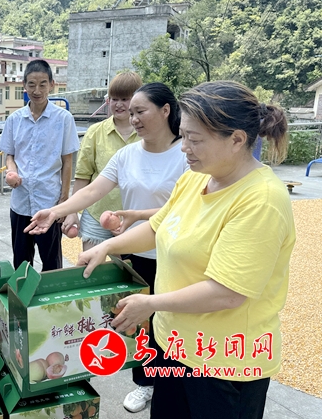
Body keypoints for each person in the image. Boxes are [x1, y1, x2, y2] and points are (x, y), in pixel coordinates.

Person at [78, 81, 295, 419]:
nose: (184, 148)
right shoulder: (197, 177)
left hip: (225, 361)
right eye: (184, 136)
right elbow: (158, 227)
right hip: (176, 346)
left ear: (237, 139)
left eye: (195, 139)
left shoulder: (261, 200)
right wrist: (108, 245)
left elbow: (227, 292)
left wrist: (150, 304)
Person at [25, 82, 189, 412]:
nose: (134, 119)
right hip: (136, 253)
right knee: (140, 326)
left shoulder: (186, 155)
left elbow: (185, 209)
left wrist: (135, 218)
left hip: (176, 256)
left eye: (140, 111)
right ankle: (145, 384)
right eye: (132, 113)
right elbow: (92, 190)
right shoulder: (128, 155)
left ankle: (174, 386)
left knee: (173, 326)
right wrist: (57, 211)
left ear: (165, 111)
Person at [0, 59, 79, 271]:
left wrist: (64, 199)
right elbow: (9, 155)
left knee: (51, 263)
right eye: (32, 84)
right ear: (24, 85)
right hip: (20, 203)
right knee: (21, 262)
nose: (37, 90)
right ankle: (24, 293)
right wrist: (12, 171)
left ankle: (51, 294)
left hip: (49, 202)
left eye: (43, 84)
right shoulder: (14, 119)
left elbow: (67, 161)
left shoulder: (63, 119)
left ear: (52, 84)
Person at [63, 72, 143, 250]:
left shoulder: (147, 133)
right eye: (114, 99)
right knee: (90, 264)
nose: (119, 104)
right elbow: (83, 176)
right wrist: (72, 211)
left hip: (134, 214)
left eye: (125, 99)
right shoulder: (95, 132)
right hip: (97, 212)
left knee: (126, 266)